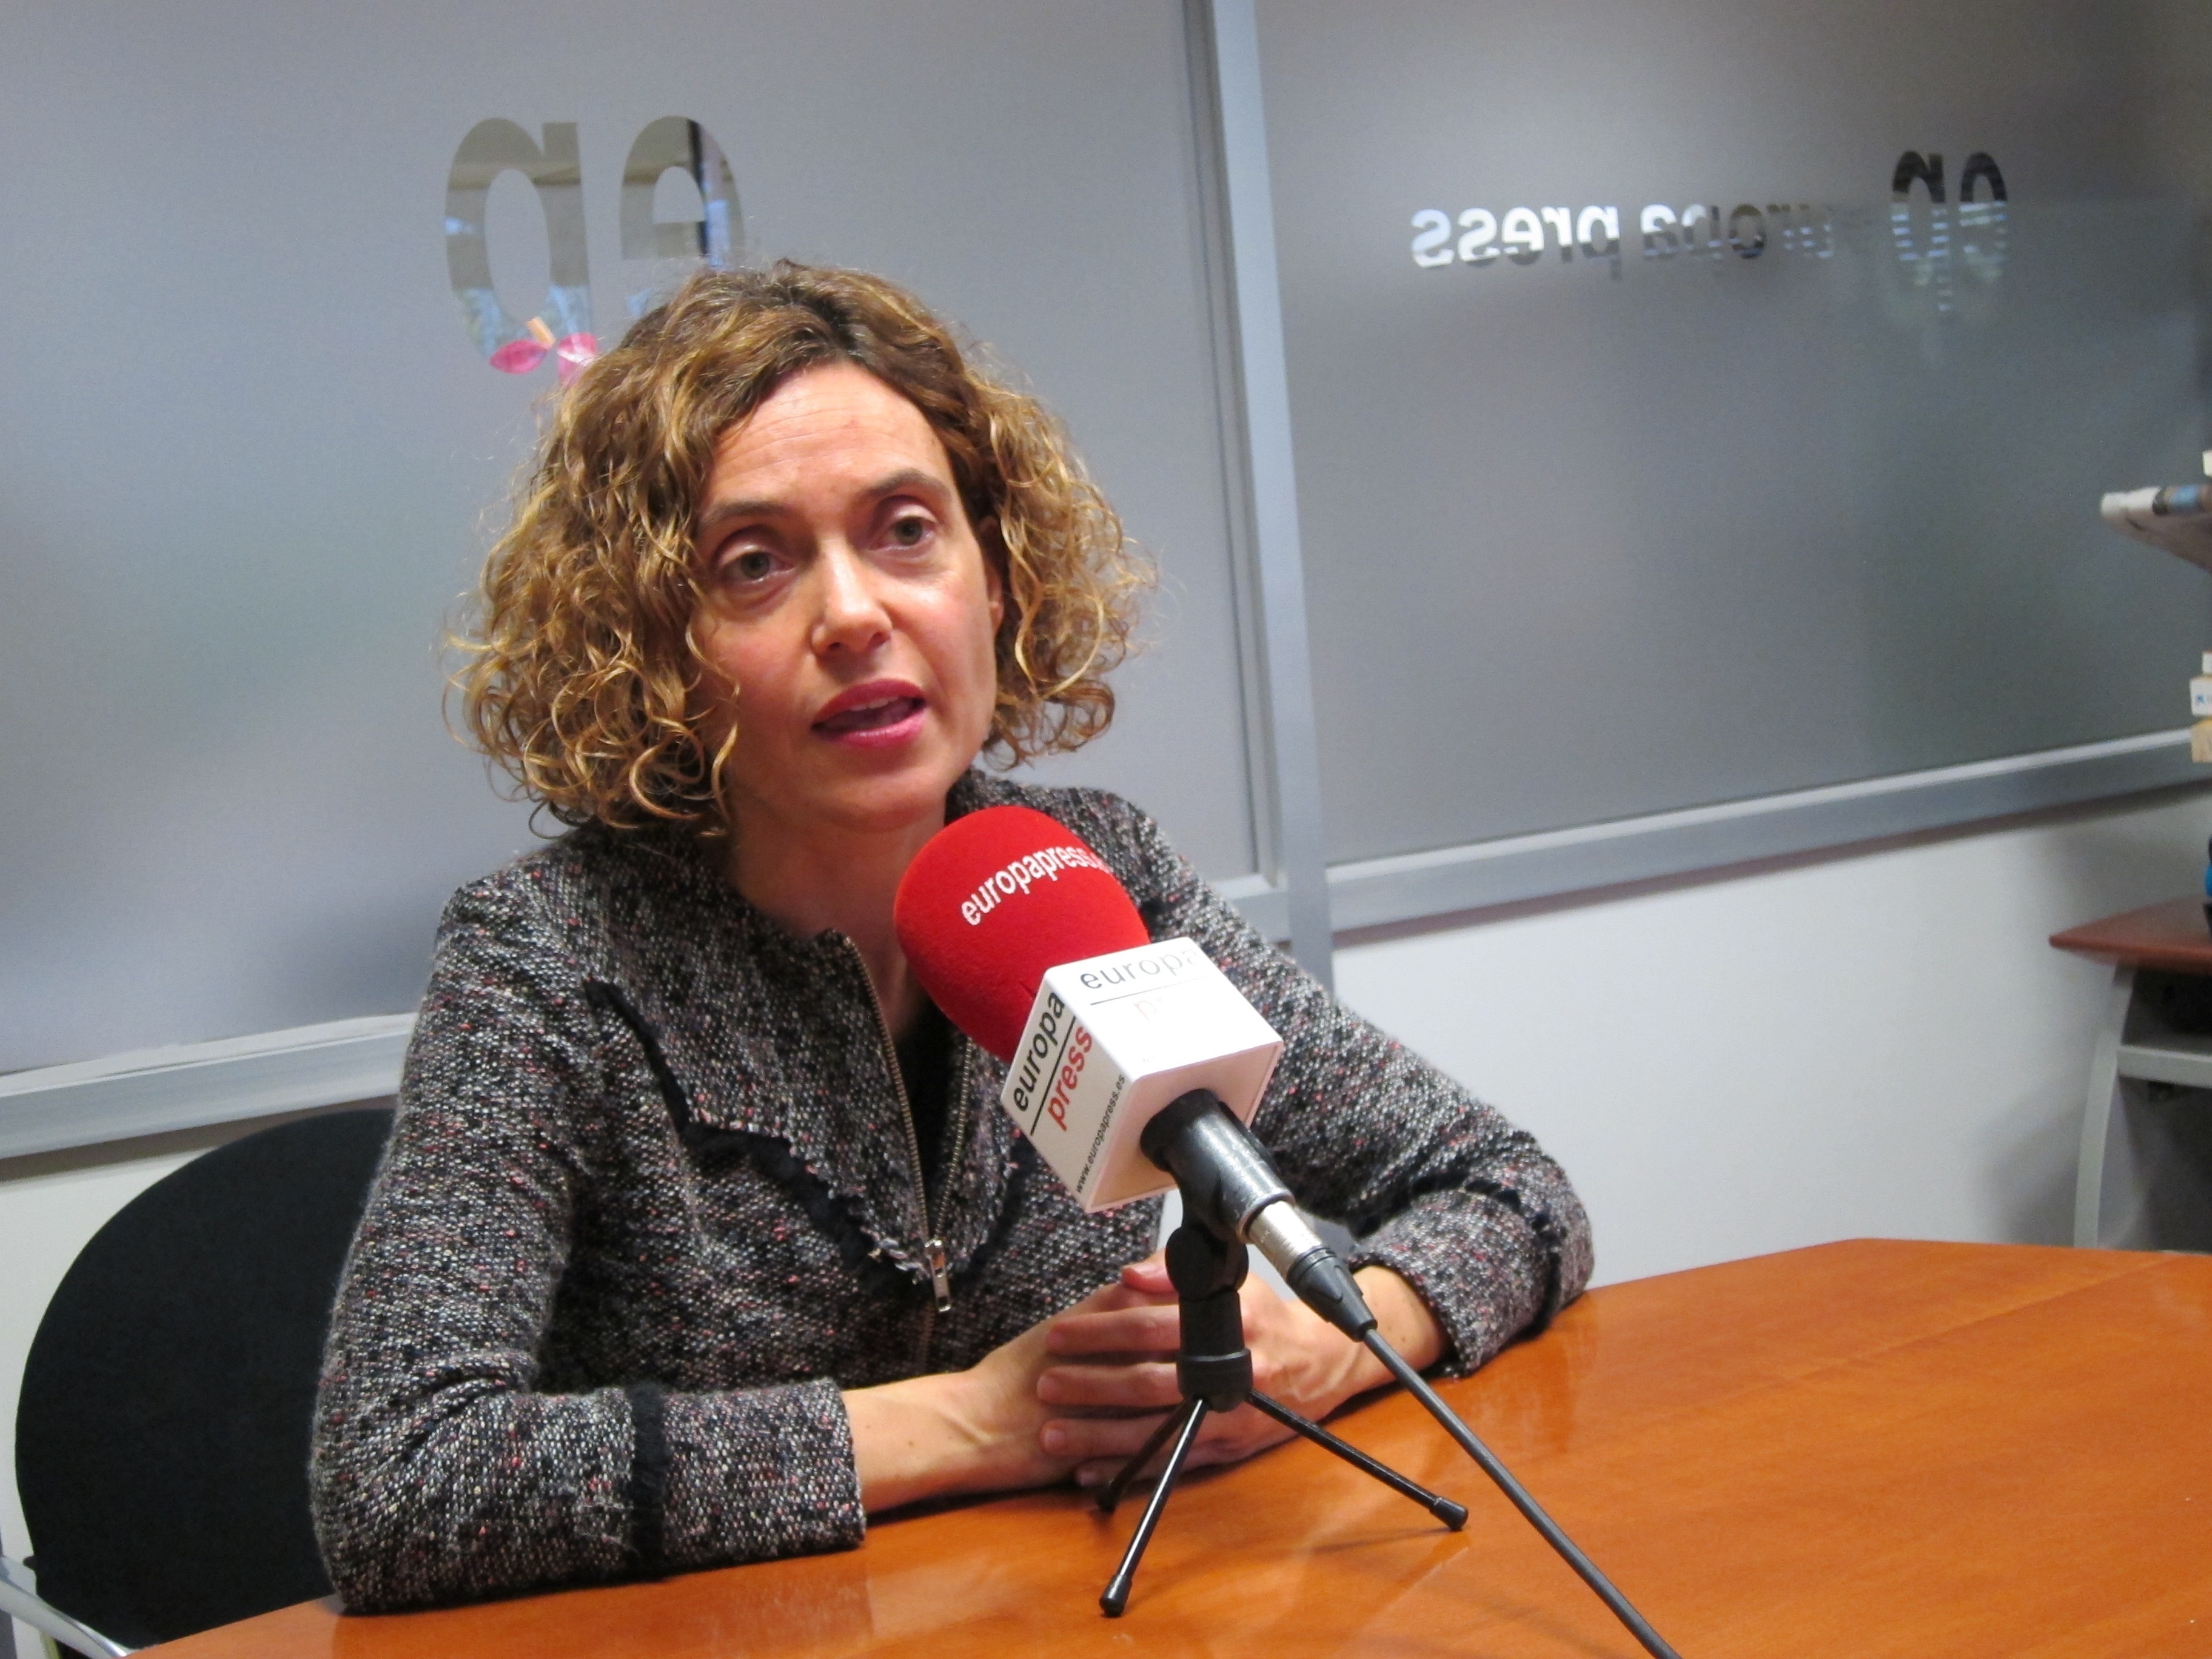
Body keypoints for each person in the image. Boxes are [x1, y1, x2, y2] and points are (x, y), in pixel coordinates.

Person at [309, 261, 1593, 1612]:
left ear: (996, 577)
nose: (856, 614)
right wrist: (976, 1420)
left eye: (907, 531)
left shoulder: (1096, 878)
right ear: (657, 645)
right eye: (754, 564)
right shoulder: (551, 960)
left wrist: (1331, 1348)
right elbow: (399, 1483)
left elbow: (1511, 1190)